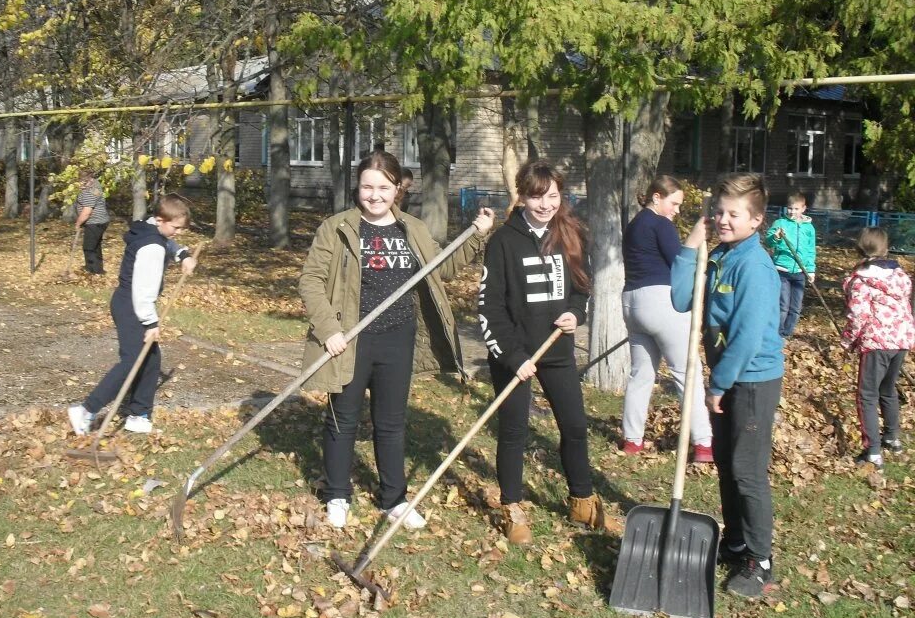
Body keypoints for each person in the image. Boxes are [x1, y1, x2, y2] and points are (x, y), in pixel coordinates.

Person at [300, 151, 494, 530]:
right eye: (367, 187)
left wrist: (476, 236)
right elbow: (310, 281)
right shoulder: (337, 228)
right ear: (358, 187)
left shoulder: (412, 229)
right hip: (352, 338)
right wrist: (329, 330)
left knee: (390, 422)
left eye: (383, 188)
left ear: (397, 189)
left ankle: (394, 499)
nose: (374, 195)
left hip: (397, 337)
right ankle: (337, 493)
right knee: (344, 419)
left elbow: (443, 268)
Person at [478, 159, 620, 545]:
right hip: (516, 353)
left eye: (552, 196)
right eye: (536, 196)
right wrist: (512, 356)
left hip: (556, 348)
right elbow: (489, 308)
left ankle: (582, 499)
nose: (544, 204)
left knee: (574, 426)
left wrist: (576, 313)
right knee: (514, 431)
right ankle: (512, 505)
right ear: (522, 196)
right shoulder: (503, 242)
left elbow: (581, 288)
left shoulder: (572, 233)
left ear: (562, 195)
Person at [673, 173, 784, 598]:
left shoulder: (754, 267)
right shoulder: (719, 255)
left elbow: (748, 335)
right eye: (719, 211)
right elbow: (682, 299)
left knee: (747, 470)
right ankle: (735, 540)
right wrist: (689, 246)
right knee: (724, 461)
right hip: (727, 377)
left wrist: (718, 384)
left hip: (752, 380)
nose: (723, 219)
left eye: (733, 214)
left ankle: (760, 559)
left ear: (755, 221)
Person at [68, 194, 196, 436]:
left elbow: (167, 242)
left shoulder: (148, 230)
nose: (178, 232)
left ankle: (139, 415)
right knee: (132, 361)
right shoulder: (152, 247)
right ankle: (86, 410)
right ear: (160, 219)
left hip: (126, 301)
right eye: (176, 228)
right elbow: (143, 289)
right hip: (133, 305)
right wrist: (151, 322)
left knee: (150, 359)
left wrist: (183, 255)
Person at [620, 175, 713, 462]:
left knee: (642, 375)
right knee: (688, 372)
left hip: (631, 303)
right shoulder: (661, 224)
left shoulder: (634, 225)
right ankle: (704, 444)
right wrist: (696, 242)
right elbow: (679, 264)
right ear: (657, 197)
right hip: (660, 301)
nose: (676, 210)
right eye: (674, 203)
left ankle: (632, 440)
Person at [840, 226, 914, 469]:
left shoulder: (861, 281)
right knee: (888, 390)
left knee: (867, 396)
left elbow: (857, 317)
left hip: (876, 343)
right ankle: (892, 438)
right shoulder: (900, 276)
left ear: (858, 248)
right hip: (900, 341)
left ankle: (872, 451)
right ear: (884, 248)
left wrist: (847, 342)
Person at [765, 191, 816, 337]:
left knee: (796, 307)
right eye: (790, 208)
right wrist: (775, 237)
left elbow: (811, 250)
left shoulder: (809, 228)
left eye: (796, 209)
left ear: (803, 209)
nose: (792, 212)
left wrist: (811, 270)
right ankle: (777, 333)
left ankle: (787, 333)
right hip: (782, 270)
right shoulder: (781, 223)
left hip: (800, 271)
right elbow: (768, 241)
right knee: (783, 305)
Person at [75, 170, 110, 275]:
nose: (80, 183)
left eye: (81, 181)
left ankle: (92, 271)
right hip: (102, 221)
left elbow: (87, 212)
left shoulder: (88, 192)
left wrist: (78, 223)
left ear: (86, 180)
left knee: (89, 247)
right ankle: (99, 270)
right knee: (96, 246)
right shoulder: (96, 185)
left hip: (94, 222)